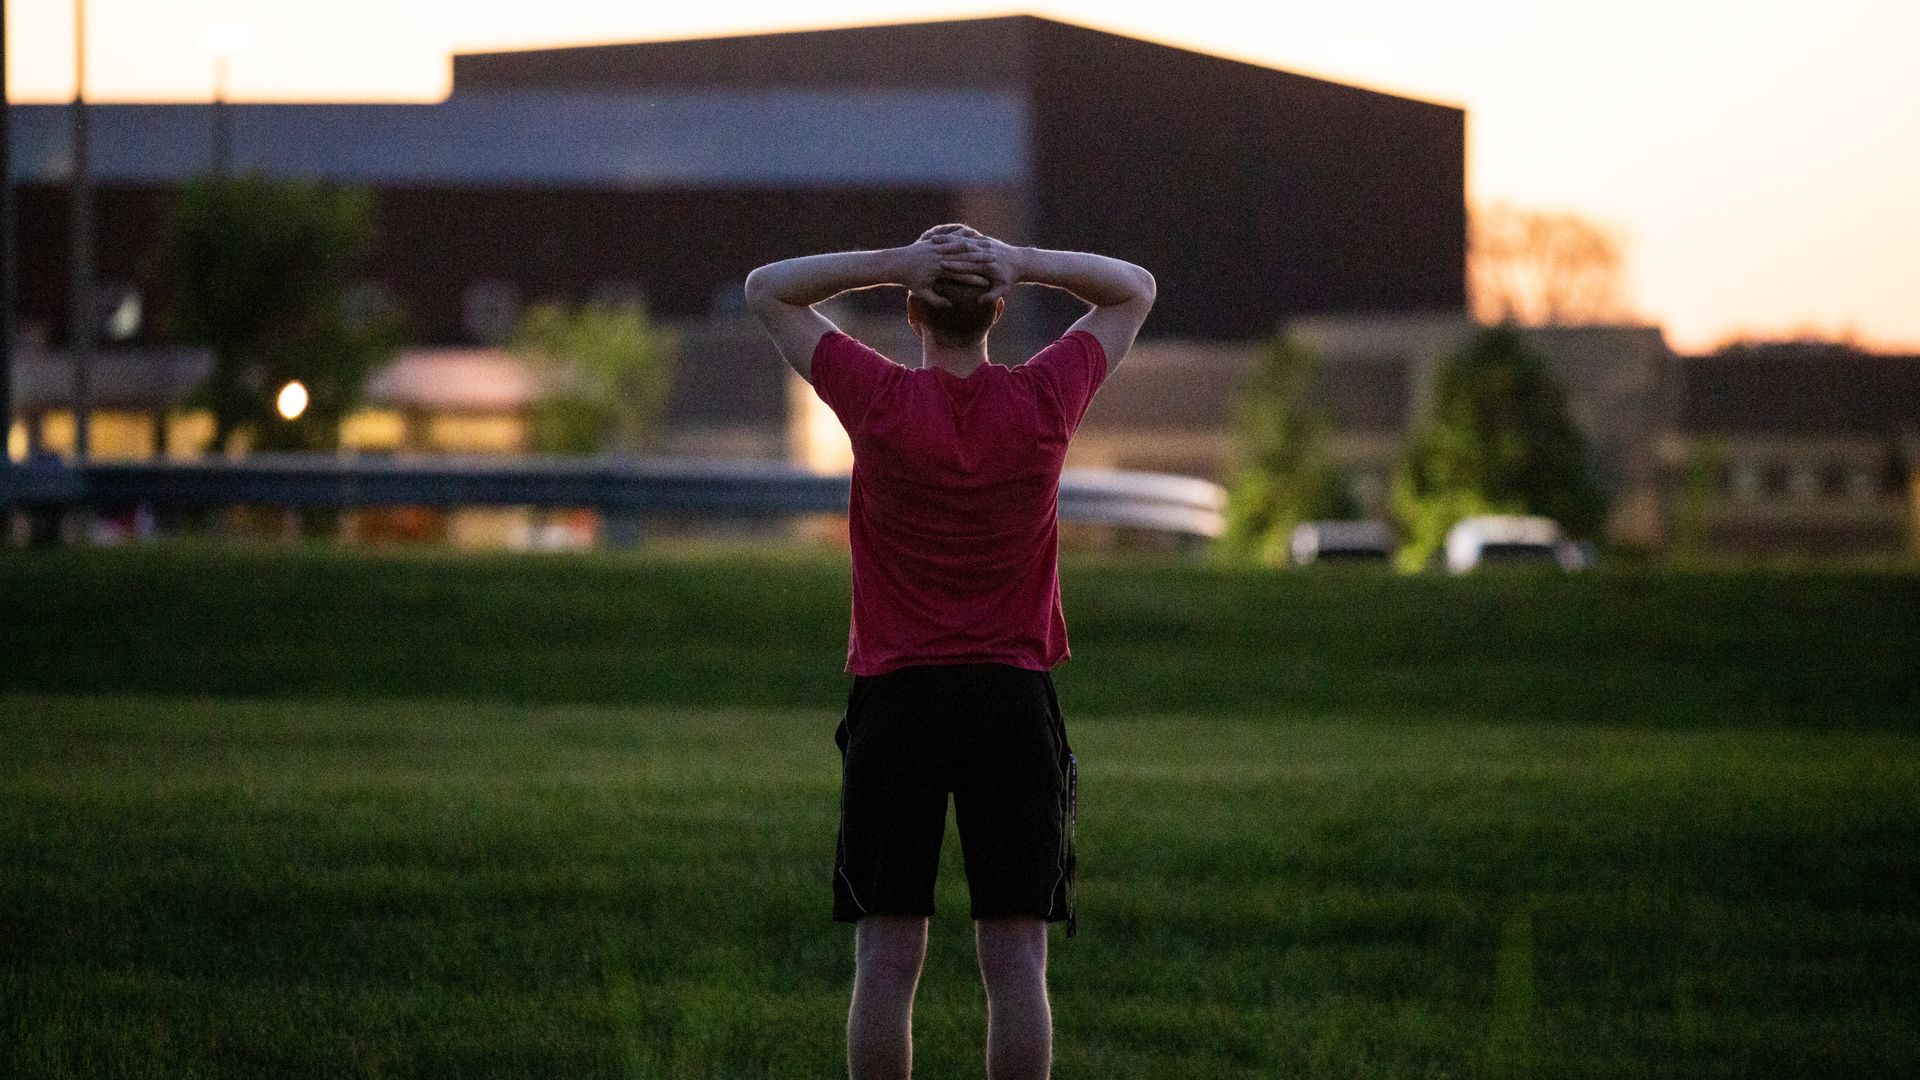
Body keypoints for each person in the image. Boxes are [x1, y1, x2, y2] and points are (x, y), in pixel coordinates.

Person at [744, 225, 1154, 1080]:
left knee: (887, 964)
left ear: (910, 312)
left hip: (897, 701)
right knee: (1017, 968)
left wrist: (895, 260)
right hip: (1012, 700)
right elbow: (1134, 286)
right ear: (999, 309)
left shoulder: (879, 399)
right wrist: (1024, 259)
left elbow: (767, 287)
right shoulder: (1043, 399)